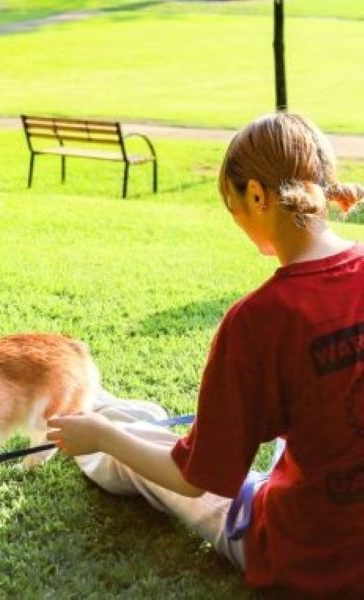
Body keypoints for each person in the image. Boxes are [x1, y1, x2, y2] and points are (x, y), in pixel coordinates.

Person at [47, 113, 364, 596]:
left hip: (308, 556)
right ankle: (111, 412)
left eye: (231, 204)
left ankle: (98, 422)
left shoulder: (258, 321)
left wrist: (104, 438)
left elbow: (193, 479)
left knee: (141, 460)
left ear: (256, 195)